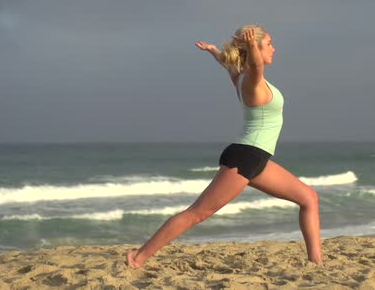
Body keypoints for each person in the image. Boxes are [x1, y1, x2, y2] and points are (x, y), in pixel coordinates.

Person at [127, 25, 322, 268]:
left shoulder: (239, 76)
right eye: (269, 44)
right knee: (197, 213)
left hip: (257, 158)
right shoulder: (252, 81)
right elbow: (254, 66)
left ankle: (317, 262)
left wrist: (213, 50)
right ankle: (138, 257)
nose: (274, 48)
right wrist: (250, 45)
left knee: (309, 198)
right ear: (254, 50)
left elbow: (229, 63)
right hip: (245, 157)